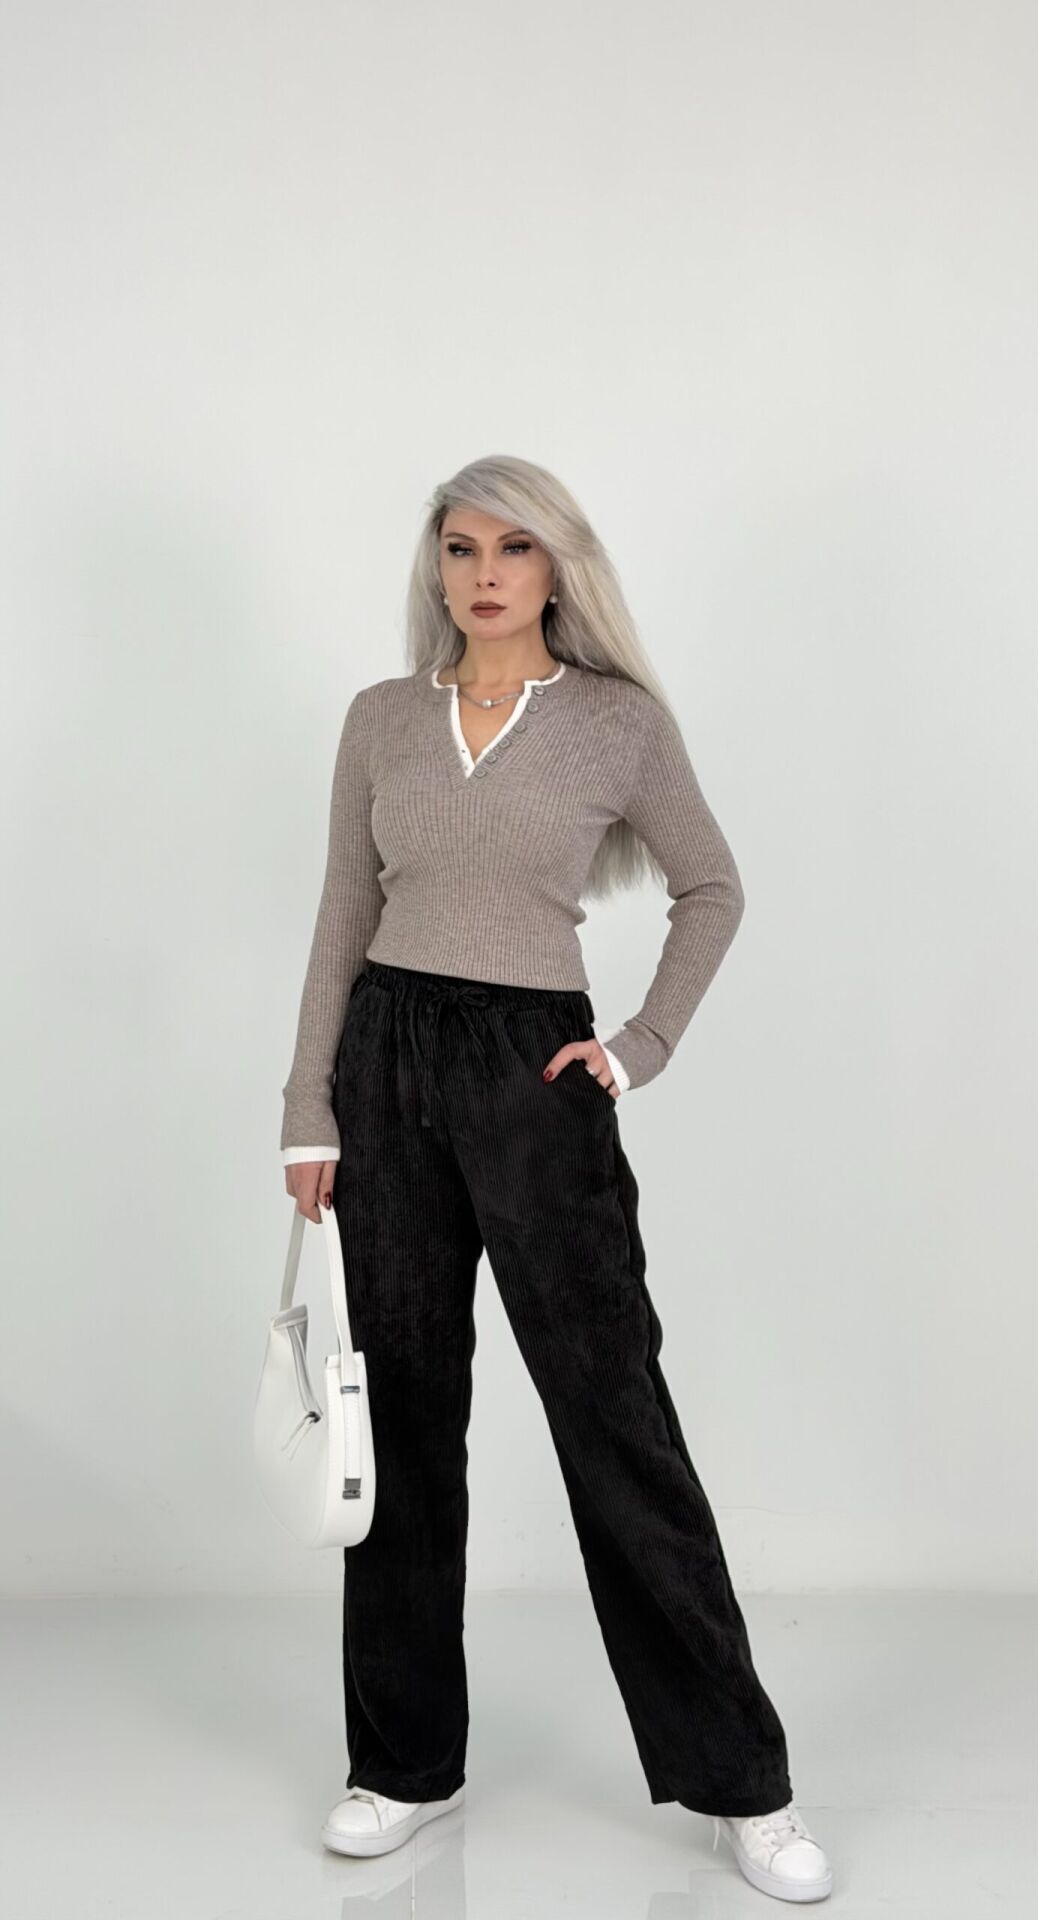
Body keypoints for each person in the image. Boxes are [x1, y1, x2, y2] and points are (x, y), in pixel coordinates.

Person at [279, 454, 833, 1902]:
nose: (484, 574)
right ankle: (402, 1764)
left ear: (556, 567)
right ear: (438, 567)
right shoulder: (380, 717)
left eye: (513, 548)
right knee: (404, 1418)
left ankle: (744, 1782)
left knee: (613, 1415)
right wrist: (307, 1110)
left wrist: (636, 1048)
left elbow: (713, 886)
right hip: (384, 1062)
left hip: (535, 1071)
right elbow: (343, 909)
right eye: (461, 548)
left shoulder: (613, 722)